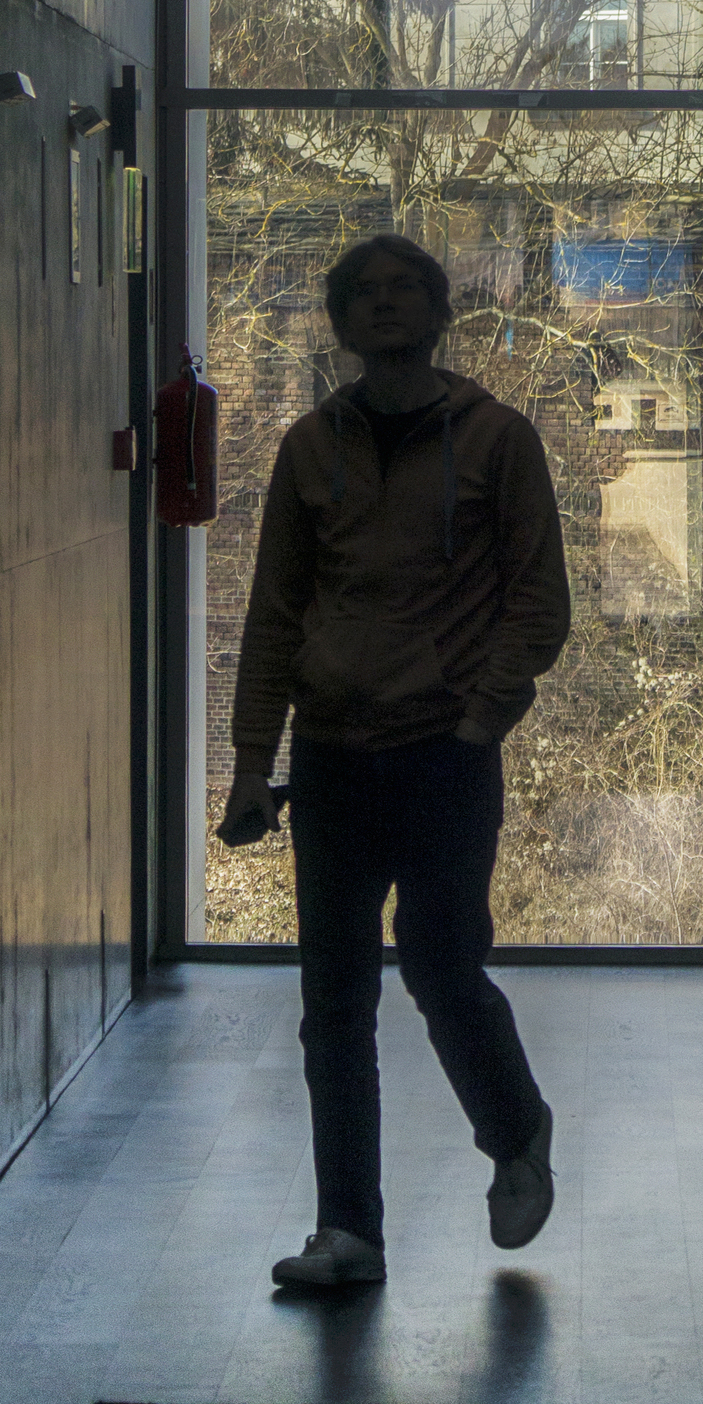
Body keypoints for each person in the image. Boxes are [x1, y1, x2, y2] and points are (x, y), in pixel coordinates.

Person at [219, 234, 573, 1291]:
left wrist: (479, 717)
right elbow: (274, 614)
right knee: (333, 995)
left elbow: (539, 601)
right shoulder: (306, 448)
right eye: (362, 294)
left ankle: (514, 1130)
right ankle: (349, 1230)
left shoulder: (498, 439)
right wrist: (249, 760)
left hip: (443, 755)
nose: (382, 306)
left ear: (435, 309)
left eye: (402, 289)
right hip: (330, 758)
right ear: (340, 318)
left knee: (439, 966)